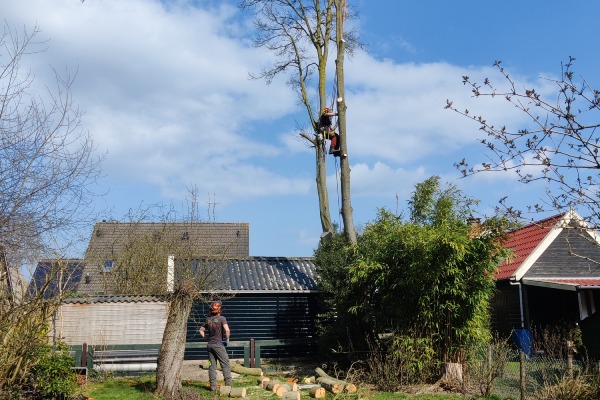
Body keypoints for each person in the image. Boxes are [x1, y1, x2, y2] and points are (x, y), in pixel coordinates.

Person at [199, 301, 232, 391]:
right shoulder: (222, 318)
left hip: (210, 346)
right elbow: (227, 330)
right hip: (218, 346)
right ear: (219, 309)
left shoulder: (208, 319)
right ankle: (228, 387)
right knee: (225, 365)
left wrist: (207, 338)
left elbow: (201, 330)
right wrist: (227, 339)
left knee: (211, 366)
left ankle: (213, 387)